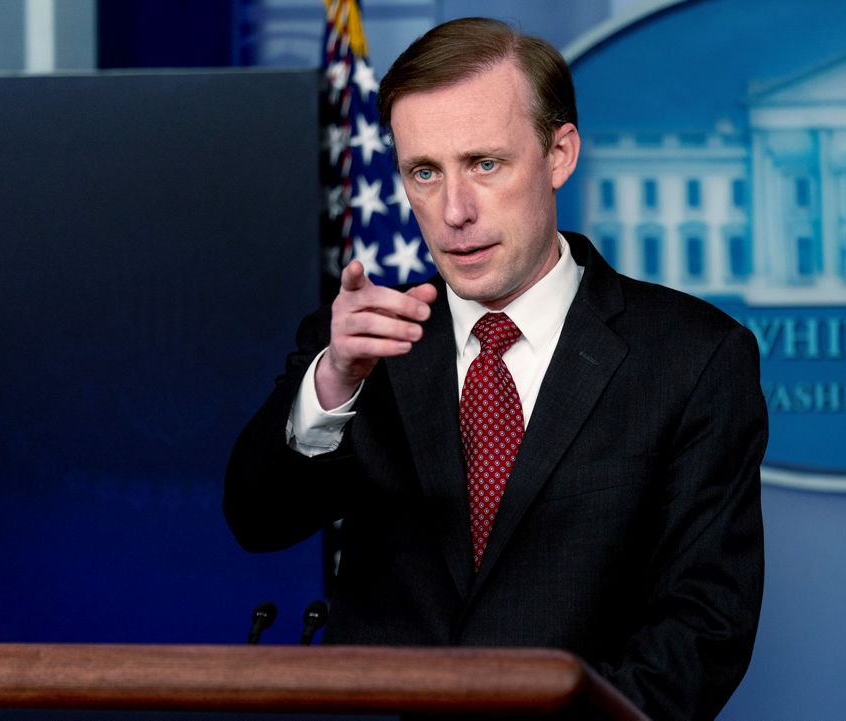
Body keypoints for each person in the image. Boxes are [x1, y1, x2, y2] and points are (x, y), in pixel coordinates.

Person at [224, 17, 767, 721]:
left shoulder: (693, 357)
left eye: (485, 164)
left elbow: (704, 625)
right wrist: (333, 382)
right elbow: (257, 519)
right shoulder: (366, 340)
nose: (454, 211)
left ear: (558, 154)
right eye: (425, 171)